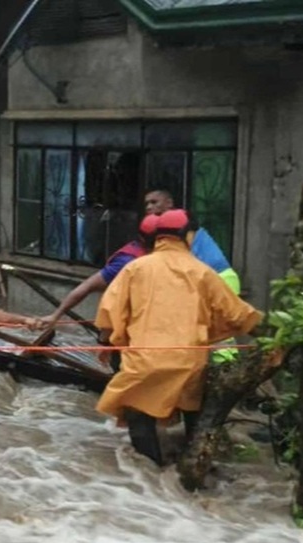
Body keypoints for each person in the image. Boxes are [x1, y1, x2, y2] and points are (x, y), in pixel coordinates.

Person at [94, 210, 262, 467]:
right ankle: (191, 474)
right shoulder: (203, 272)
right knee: (194, 416)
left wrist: (106, 343)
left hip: (143, 363)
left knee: (139, 419)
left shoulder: (134, 269)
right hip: (189, 363)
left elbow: (108, 313)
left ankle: (149, 479)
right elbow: (238, 314)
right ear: (187, 236)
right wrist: (273, 332)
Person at [37, 189, 242, 331]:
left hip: (215, 281)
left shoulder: (180, 232)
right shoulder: (131, 262)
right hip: (204, 286)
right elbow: (97, 294)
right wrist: (56, 316)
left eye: (154, 202)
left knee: (214, 337)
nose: (150, 207)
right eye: (147, 204)